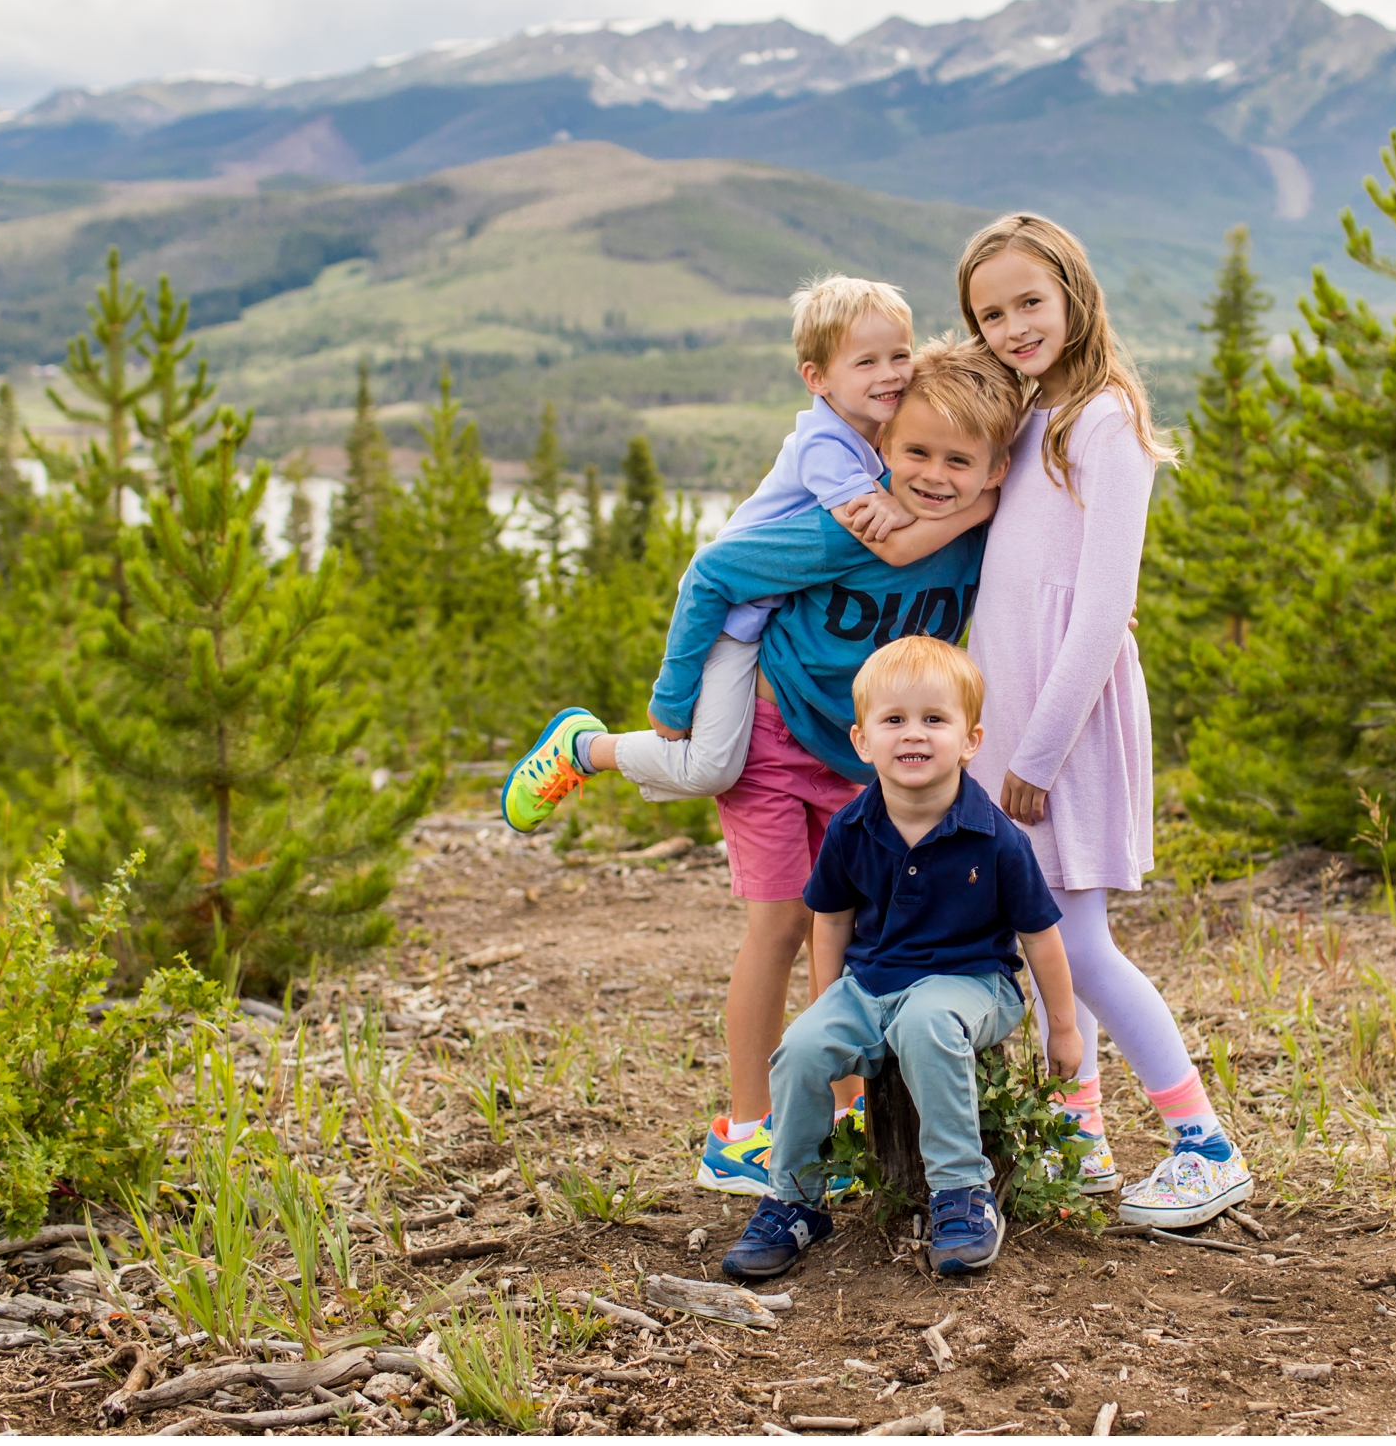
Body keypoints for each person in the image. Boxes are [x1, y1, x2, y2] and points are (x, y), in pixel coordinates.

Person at [516, 341, 1026, 1196]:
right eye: (915, 452)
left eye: (958, 461)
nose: (935, 475)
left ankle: (851, 1112)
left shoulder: (978, 542)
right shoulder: (843, 531)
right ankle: (746, 1127)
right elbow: (714, 571)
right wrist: (673, 699)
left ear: (992, 466)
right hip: (773, 737)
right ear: (881, 448)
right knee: (783, 924)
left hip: (864, 760)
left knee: (865, 926)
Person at [958, 212, 1253, 1229]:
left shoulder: (1105, 419)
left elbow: (1100, 609)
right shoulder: (1034, 413)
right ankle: (1077, 1140)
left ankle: (1201, 1140)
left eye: (1030, 301)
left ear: (1076, 294)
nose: (1012, 325)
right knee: (1041, 939)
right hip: (1011, 721)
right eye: (990, 312)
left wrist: (1037, 750)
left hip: (1062, 724)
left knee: (1078, 945)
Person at [500, 276, 991, 836]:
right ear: (817, 377)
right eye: (867, 363)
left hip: (772, 611)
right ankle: (583, 749)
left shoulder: (871, 430)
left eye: (900, 356)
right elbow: (894, 542)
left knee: (714, 763)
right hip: (735, 613)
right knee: (708, 765)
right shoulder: (824, 448)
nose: (890, 374)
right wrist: (983, 502)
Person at [719, 634, 1080, 1281]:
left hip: (974, 982)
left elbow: (1040, 934)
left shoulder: (996, 836)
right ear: (862, 741)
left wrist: (1065, 1025)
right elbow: (830, 920)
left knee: (925, 1022)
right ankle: (795, 1198)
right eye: (895, 719)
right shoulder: (853, 828)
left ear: (971, 739)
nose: (914, 734)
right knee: (800, 1047)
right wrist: (829, 998)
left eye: (934, 719)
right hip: (873, 984)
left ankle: (961, 1193)